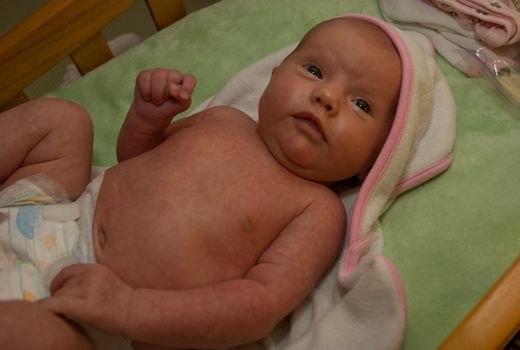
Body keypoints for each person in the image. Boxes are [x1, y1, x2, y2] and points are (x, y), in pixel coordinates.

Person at [0, 15, 401, 350]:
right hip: (47, 208)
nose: (327, 95)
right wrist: (146, 119)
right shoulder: (225, 119)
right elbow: (136, 162)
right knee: (63, 120)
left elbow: (259, 306)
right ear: (274, 77)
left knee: (26, 333)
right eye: (315, 71)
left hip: (80, 313)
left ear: (374, 159)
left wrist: (129, 307)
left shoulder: (317, 211)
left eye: (361, 104)